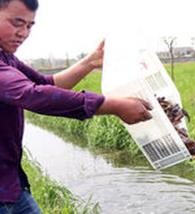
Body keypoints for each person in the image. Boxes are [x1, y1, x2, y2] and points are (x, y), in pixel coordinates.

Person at [0, 0, 153, 213]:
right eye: (17, 23)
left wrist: (90, 62)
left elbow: (45, 85)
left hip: (11, 183)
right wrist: (112, 105)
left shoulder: (7, 58)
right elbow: (31, 94)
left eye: (29, 26)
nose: (23, 33)